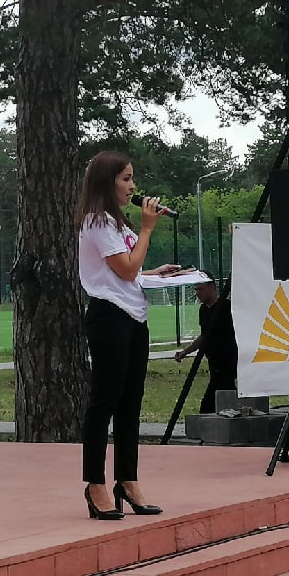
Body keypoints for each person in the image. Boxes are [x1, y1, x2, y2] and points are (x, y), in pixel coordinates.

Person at [77, 151, 177, 521]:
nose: (133, 186)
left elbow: (130, 272)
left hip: (134, 316)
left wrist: (155, 273)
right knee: (104, 401)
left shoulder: (117, 223)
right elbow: (125, 270)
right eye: (125, 179)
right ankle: (95, 484)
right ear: (108, 182)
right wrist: (148, 229)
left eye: (132, 178)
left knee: (130, 402)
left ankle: (127, 481)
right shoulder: (97, 221)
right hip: (109, 317)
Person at [173, 279, 238, 414]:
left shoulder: (227, 307)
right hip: (214, 363)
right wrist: (185, 352)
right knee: (222, 399)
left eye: (200, 289)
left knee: (209, 404)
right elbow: (204, 336)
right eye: (196, 290)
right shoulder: (203, 310)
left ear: (212, 287)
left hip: (228, 362)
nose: (197, 293)